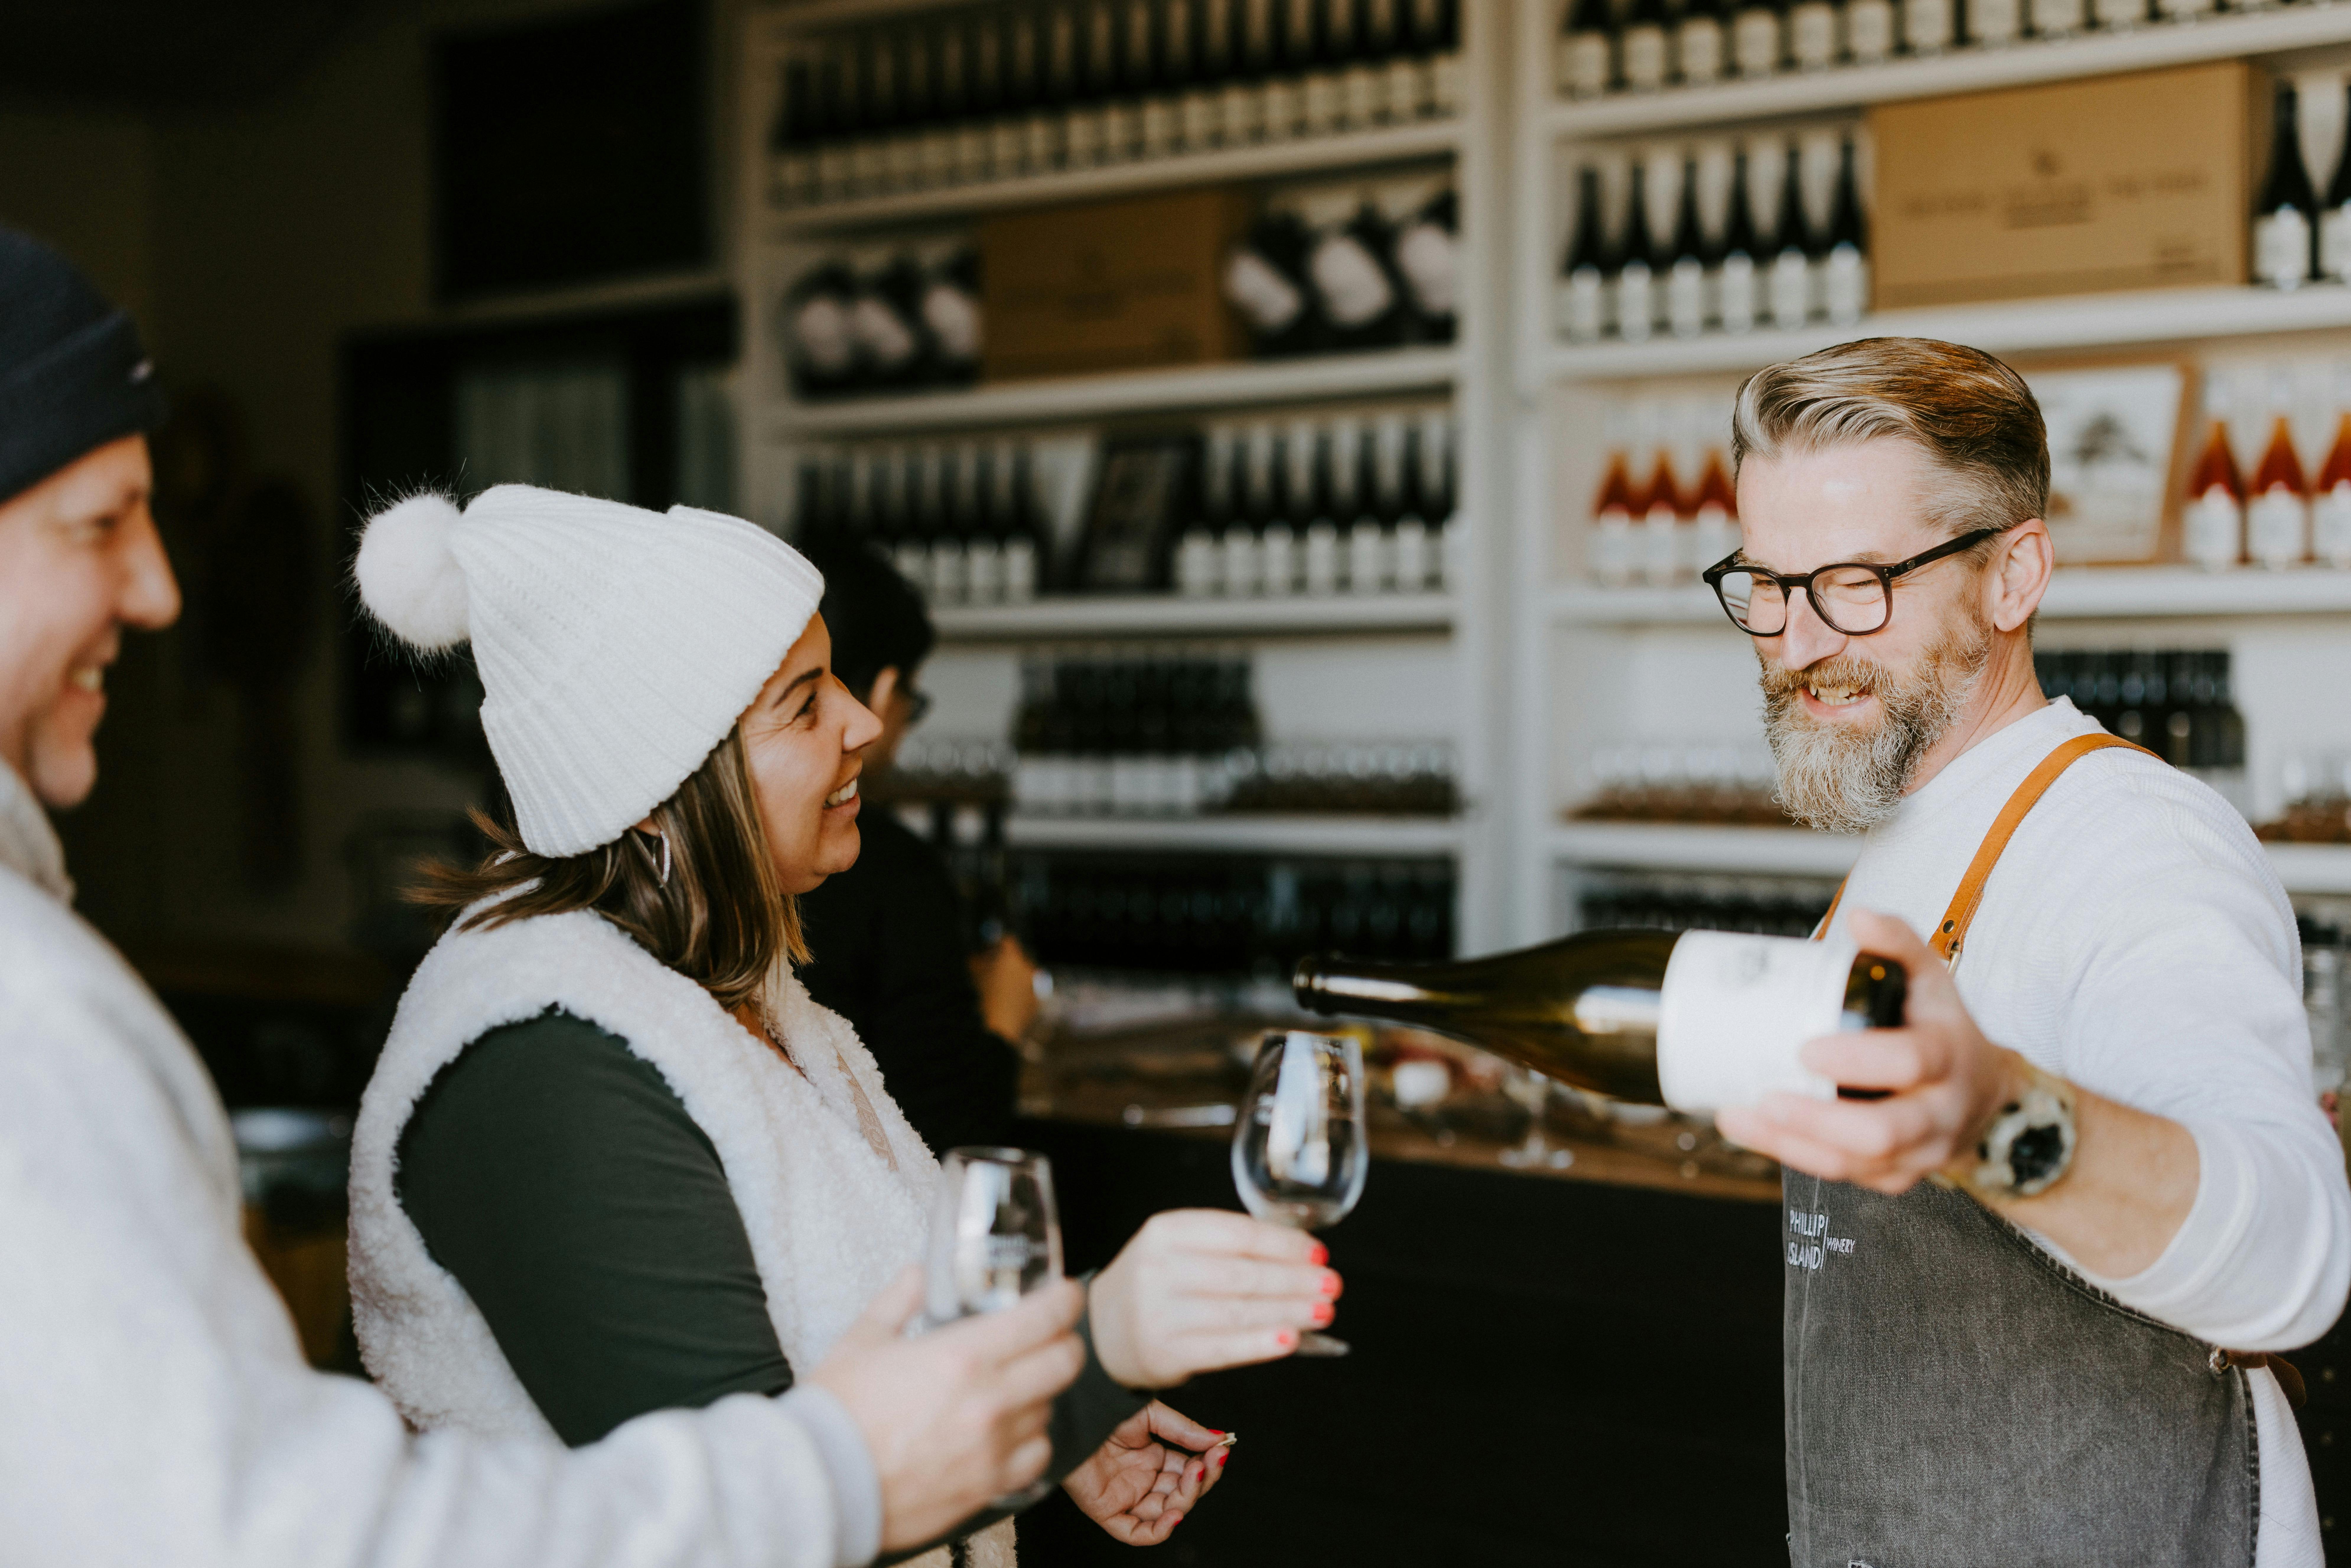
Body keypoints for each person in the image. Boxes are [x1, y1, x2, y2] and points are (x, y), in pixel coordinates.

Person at [0, 223, 1094, 1567]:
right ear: (660, 781)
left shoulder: (765, 1004)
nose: (162, 589)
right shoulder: (543, 1052)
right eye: (101, 522)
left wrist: (1087, 1404)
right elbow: (268, 1529)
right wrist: (1077, 1364)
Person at [344, 483, 1339, 1566]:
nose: (867, 724)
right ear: (654, 784)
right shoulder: (540, 1066)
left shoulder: (742, 998)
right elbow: (743, 1524)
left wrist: (1051, 1433)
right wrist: (1096, 1350)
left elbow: (852, 1355)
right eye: (807, 702)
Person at [1698, 337, 2351, 1564]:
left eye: (1850, 582)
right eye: (1767, 584)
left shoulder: (2134, 841)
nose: (1790, 641)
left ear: (2013, 575)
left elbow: (2294, 1257)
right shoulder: (1905, 832)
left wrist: (1992, 1110)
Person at [793, 537, 1025, 1153]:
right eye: (802, 705)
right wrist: (1003, 1020)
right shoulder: (893, 870)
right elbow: (948, 1135)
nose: (868, 729)